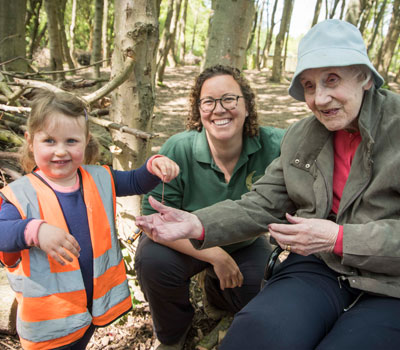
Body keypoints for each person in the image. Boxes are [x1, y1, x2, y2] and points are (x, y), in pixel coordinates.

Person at [136, 19, 400, 350]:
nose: (319, 99)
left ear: (363, 76)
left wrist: (340, 237)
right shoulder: (303, 137)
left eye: (332, 80)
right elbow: (263, 203)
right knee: (257, 333)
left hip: (391, 284)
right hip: (320, 268)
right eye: (308, 86)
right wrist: (196, 222)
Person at [0, 90, 179, 350]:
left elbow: (135, 180)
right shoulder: (20, 194)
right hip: (49, 321)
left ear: (85, 142)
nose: (60, 151)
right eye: (49, 141)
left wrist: (154, 167)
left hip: (89, 310)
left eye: (71, 141)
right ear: (30, 142)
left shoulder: (98, 177)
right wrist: (35, 231)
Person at [134, 64, 285, 349]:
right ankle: (173, 332)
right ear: (198, 110)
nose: (219, 109)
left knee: (266, 290)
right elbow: (153, 221)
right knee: (152, 262)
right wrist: (216, 256)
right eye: (208, 102)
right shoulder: (179, 149)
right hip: (184, 242)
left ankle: (217, 294)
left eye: (229, 99)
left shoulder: (273, 144)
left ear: (247, 106)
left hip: (244, 243)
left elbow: (316, 146)